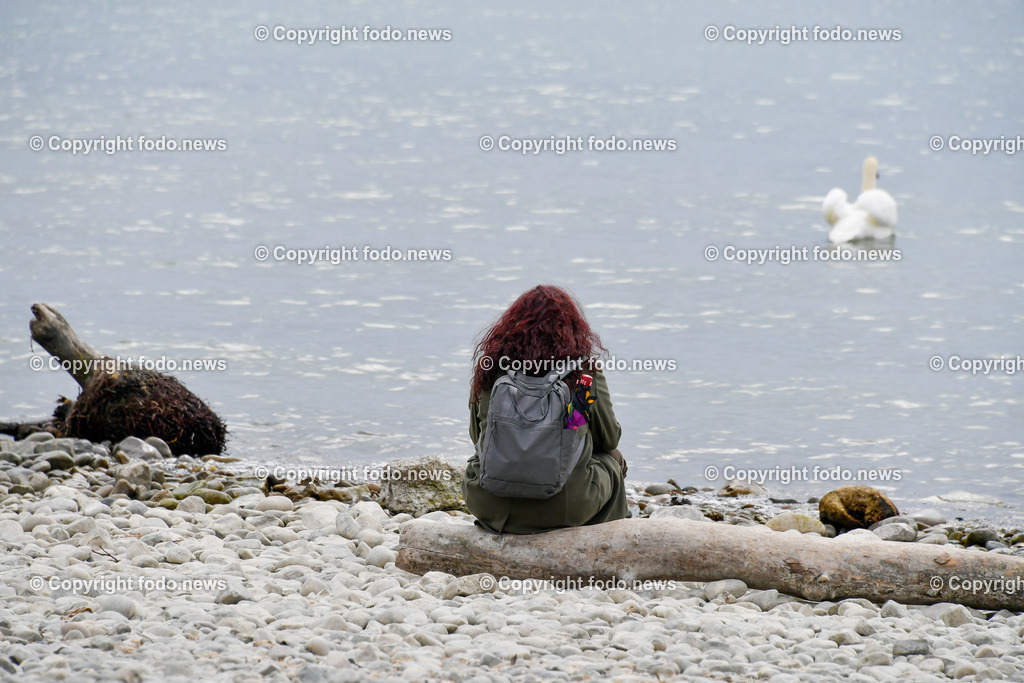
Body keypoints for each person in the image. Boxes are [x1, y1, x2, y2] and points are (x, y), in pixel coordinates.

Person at [462, 285, 629, 534]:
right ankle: (607, 541)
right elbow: (608, 438)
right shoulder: (582, 374)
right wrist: (570, 426)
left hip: (491, 504)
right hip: (564, 508)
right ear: (573, 329)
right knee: (611, 459)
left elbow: (478, 438)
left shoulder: (492, 368)